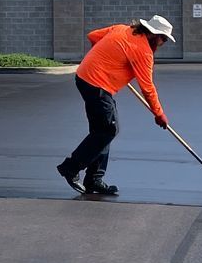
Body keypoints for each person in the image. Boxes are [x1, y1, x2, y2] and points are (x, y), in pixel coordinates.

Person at [59, 16, 174, 197]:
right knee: (107, 130)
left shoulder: (121, 29)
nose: (163, 42)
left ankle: (94, 180)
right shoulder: (143, 51)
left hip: (84, 77)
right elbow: (147, 87)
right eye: (163, 38)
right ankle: (71, 167)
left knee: (103, 131)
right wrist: (159, 114)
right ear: (153, 34)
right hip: (96, 84)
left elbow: (93, 36)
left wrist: (109, 56)